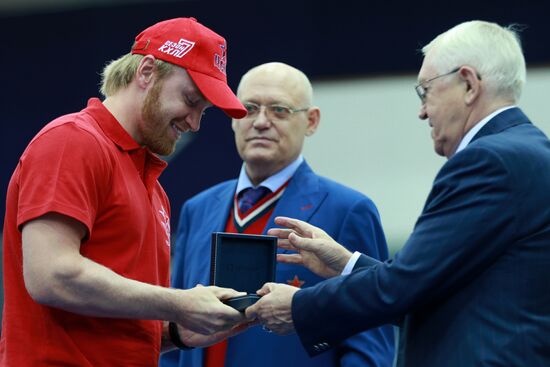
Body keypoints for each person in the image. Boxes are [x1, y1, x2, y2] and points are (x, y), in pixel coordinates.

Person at [246, 20, 550, 367]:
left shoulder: (489, 161)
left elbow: (404, 286)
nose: (422, 112)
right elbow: (427, 288)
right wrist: (347, 263)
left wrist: (298, 306)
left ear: (468, 83)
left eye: (426, 91)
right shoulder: (528, 152)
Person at [0, 17, 251, 366]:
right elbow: (50, 276)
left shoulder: (153, 190)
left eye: (203, 113)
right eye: (191, 100)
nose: (194, 122)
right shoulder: (72, 142)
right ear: (146, 72)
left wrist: (178, 332)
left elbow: (118, 325)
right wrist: (178, 302)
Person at [160, 62, 394, 367]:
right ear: (233, 118)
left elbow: (371, 339)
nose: (260, 122)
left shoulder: (348, 210)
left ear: (311, 121)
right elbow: (176, 327)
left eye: (279, 110)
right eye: (249, 109)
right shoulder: (198, 208)